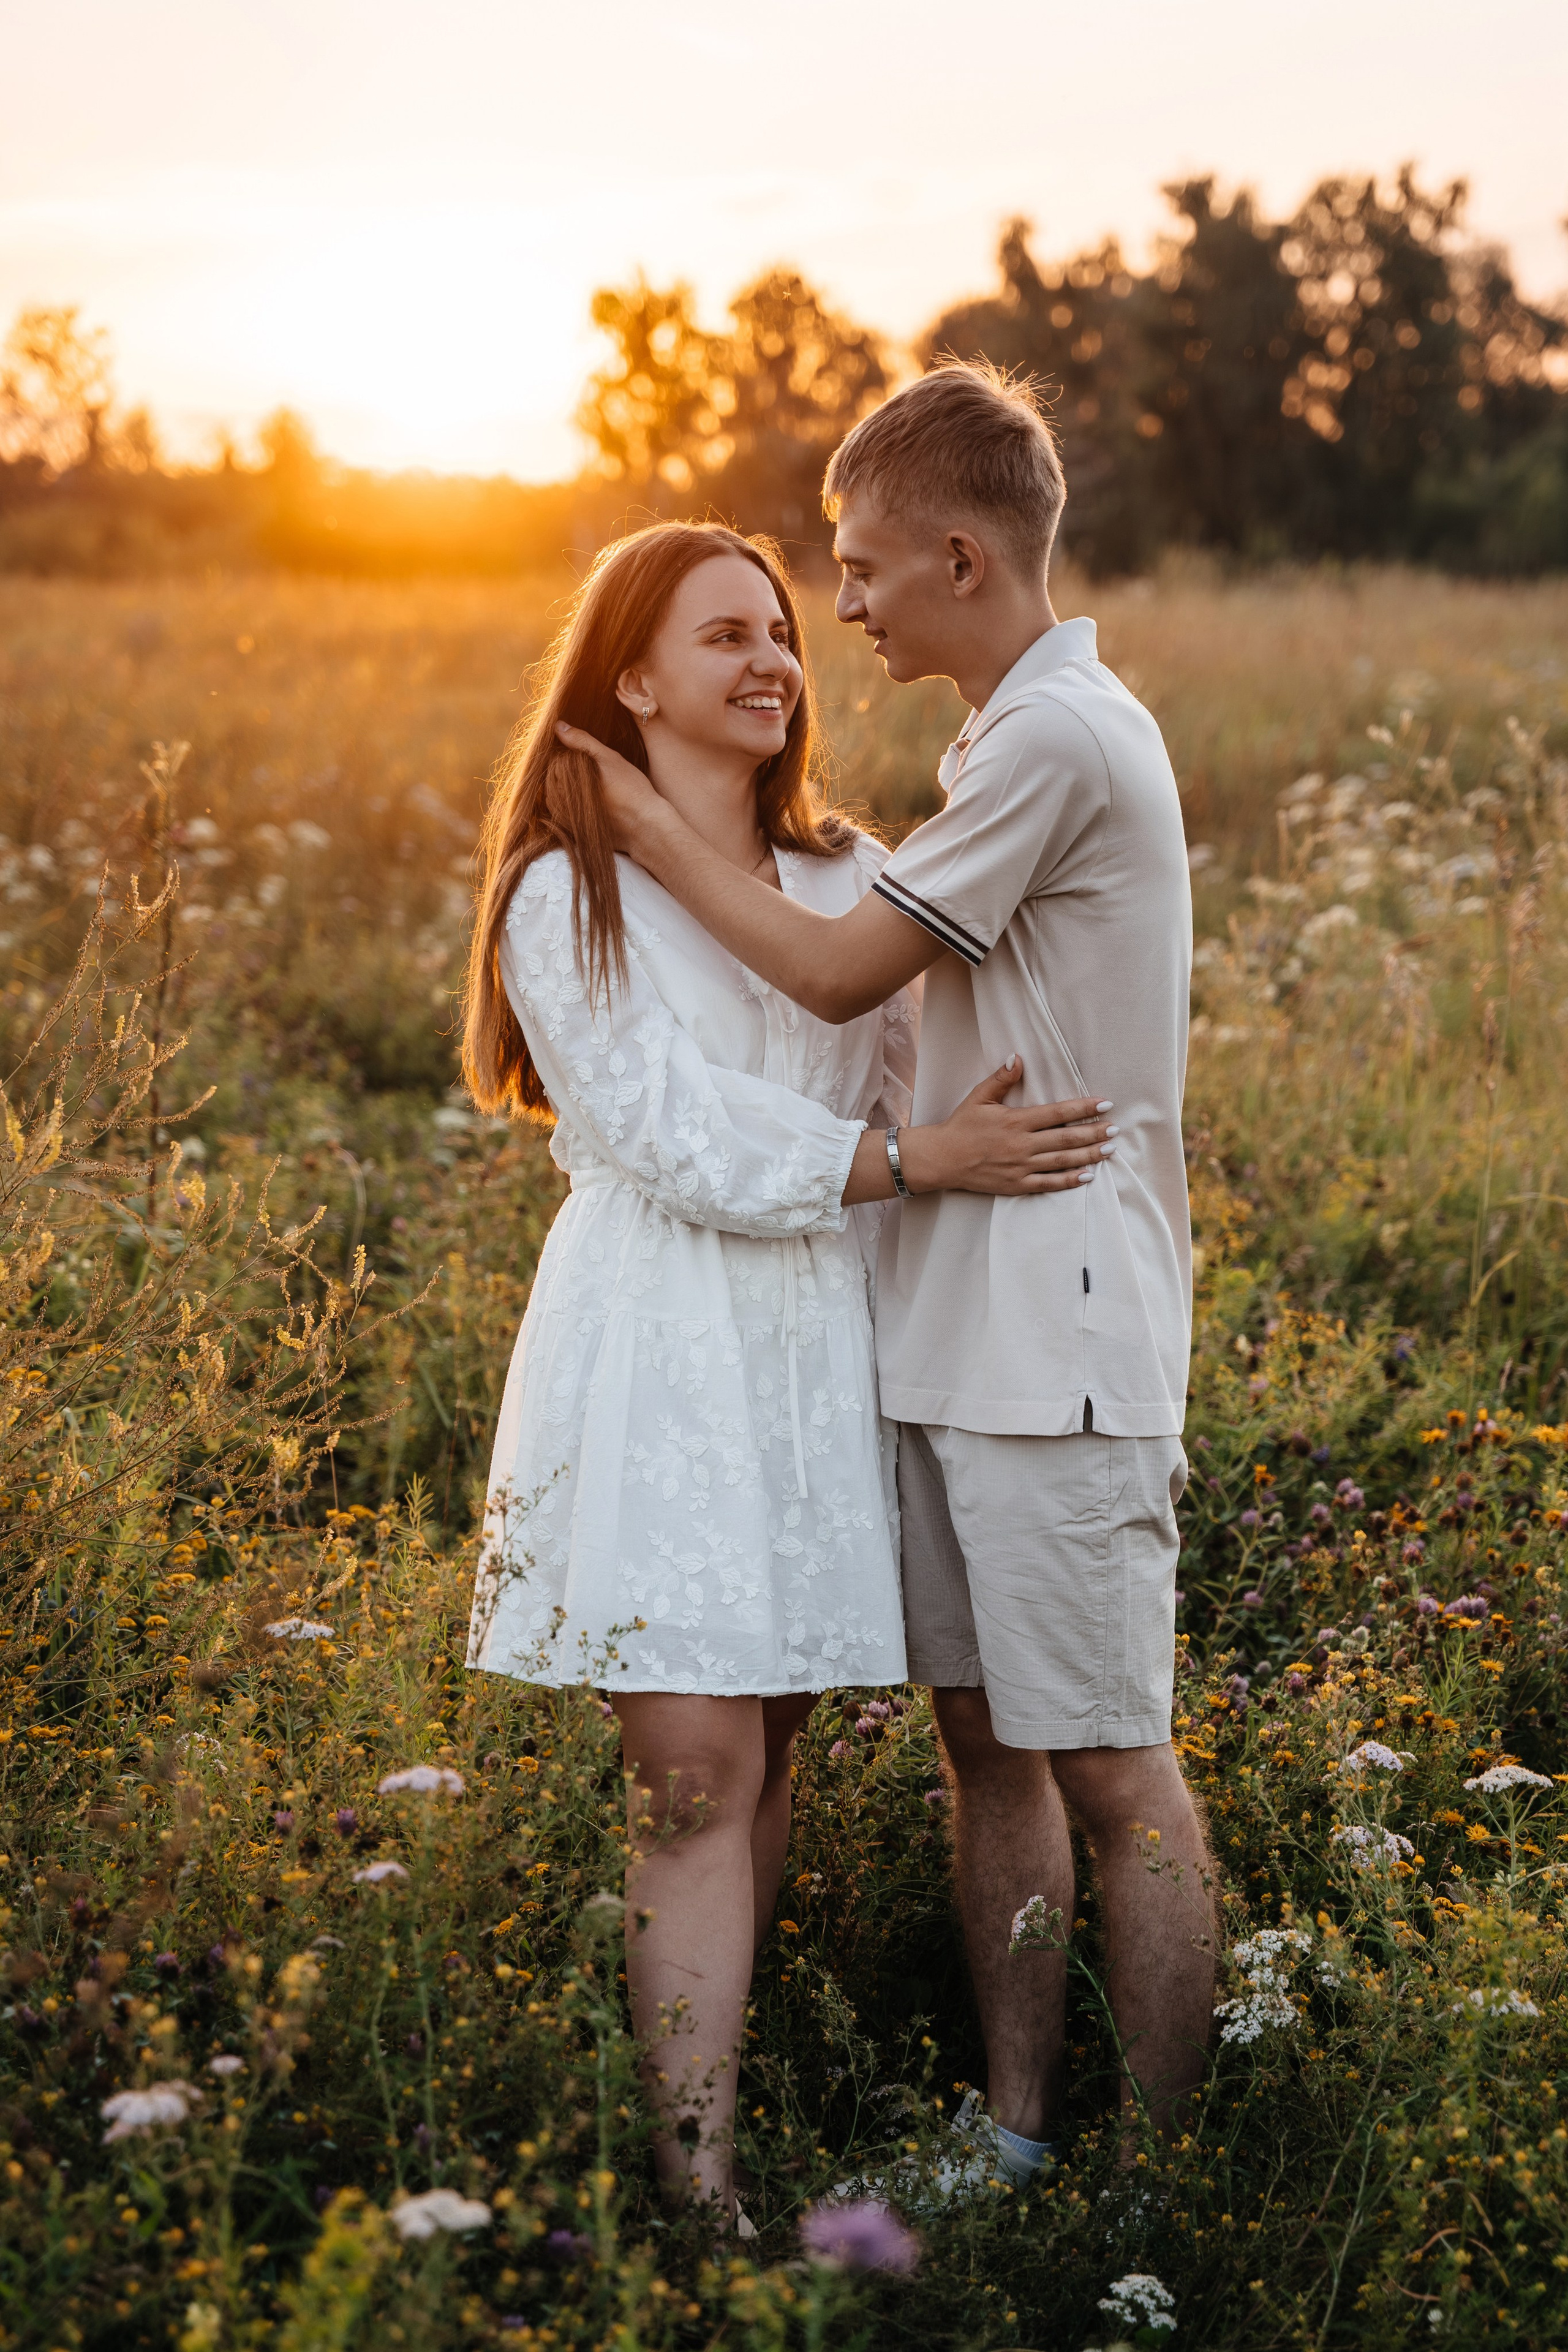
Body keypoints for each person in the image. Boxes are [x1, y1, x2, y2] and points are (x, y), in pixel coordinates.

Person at [556, 368, 1215, 2188]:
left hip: (1057, 1340)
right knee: (991, 1759)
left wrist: (635, 814)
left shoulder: (1063, 742)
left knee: (1111, 1767)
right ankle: (1013, 2142)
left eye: (851, 573)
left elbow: (843, 978)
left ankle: (1158, 2194)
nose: (839, 614)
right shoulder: (1004, 743)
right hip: (944, 1335)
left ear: (953, 553)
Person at [461, 519, 1115, 2223]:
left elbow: (921, 1079)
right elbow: (660, 1132)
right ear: (630, 679)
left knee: (769, 1760)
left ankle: (727, 2143)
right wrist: (907, 1165)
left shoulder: (852, 874)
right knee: (690, 1769)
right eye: (723, 637)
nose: (772, 661)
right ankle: (696, 2198)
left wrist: (931, 1162)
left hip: (818, 1343)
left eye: (781, 633)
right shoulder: (564, 886)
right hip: (660, 1336)